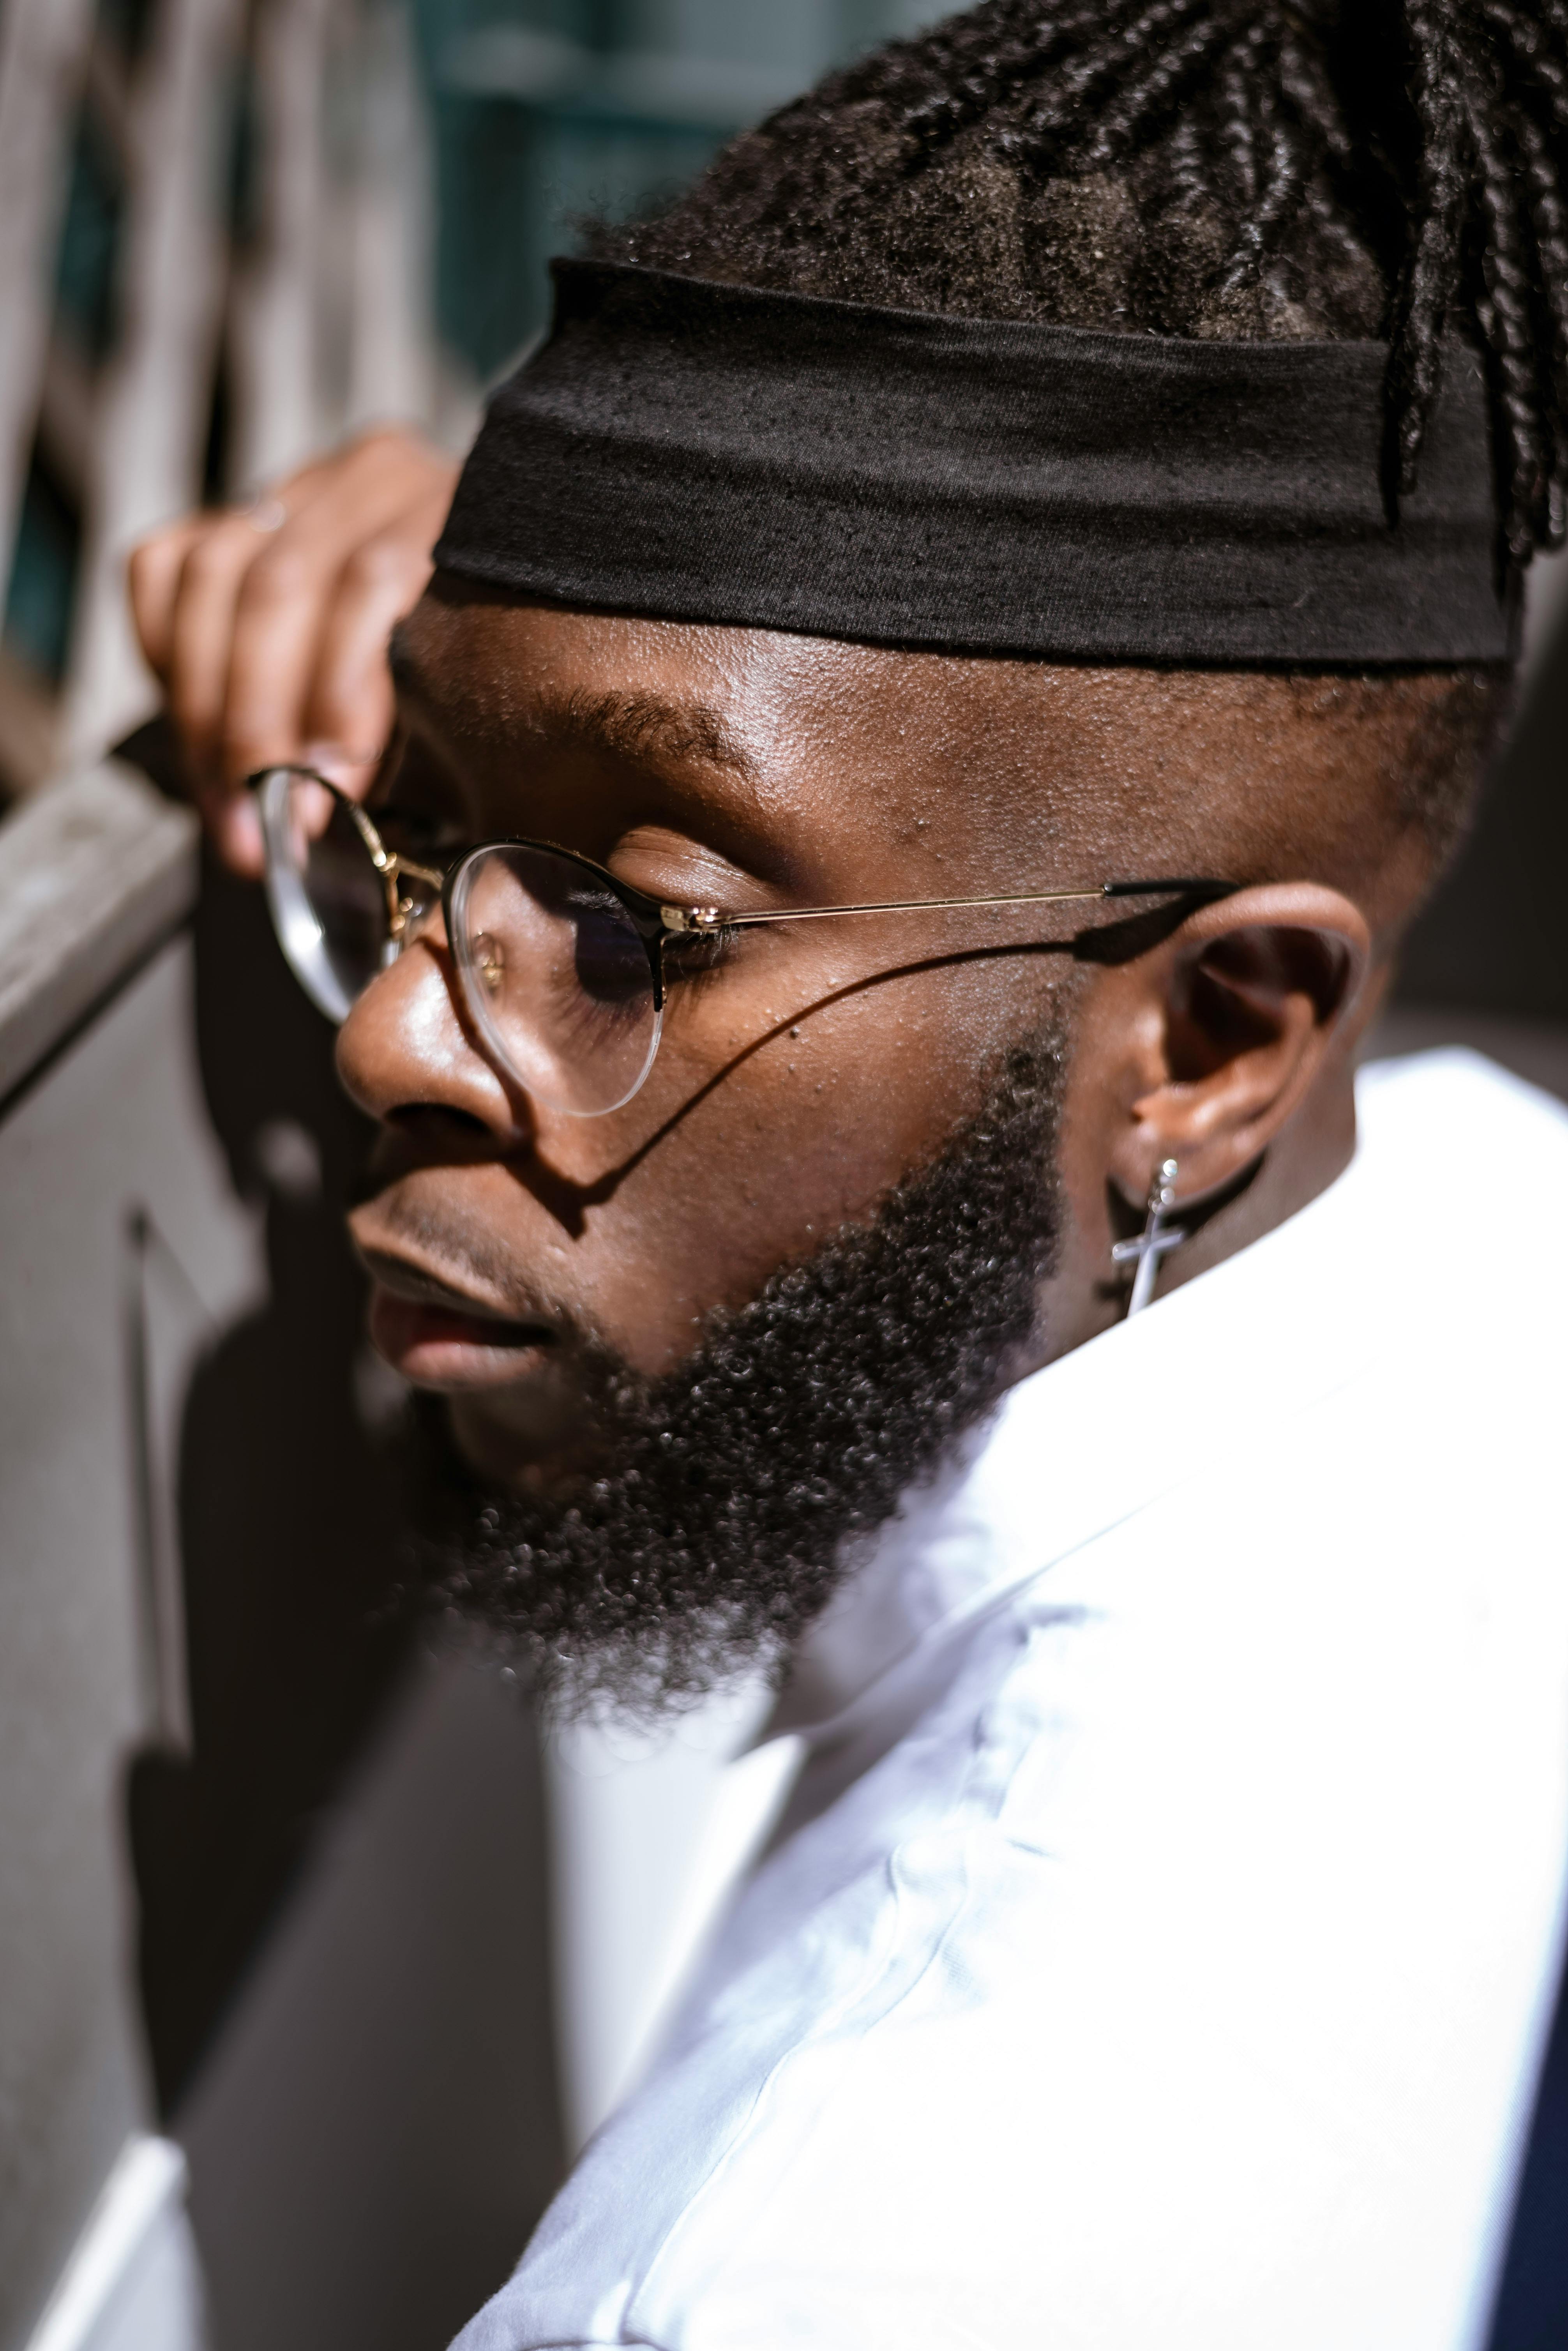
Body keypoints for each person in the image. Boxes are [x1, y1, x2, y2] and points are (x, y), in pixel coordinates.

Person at [130, 2, 1568, 2344]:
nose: (390, 1030)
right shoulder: (1502, 1222)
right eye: (411, 834)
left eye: (631, 929)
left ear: (1214, 1039)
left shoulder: (786, 2278)